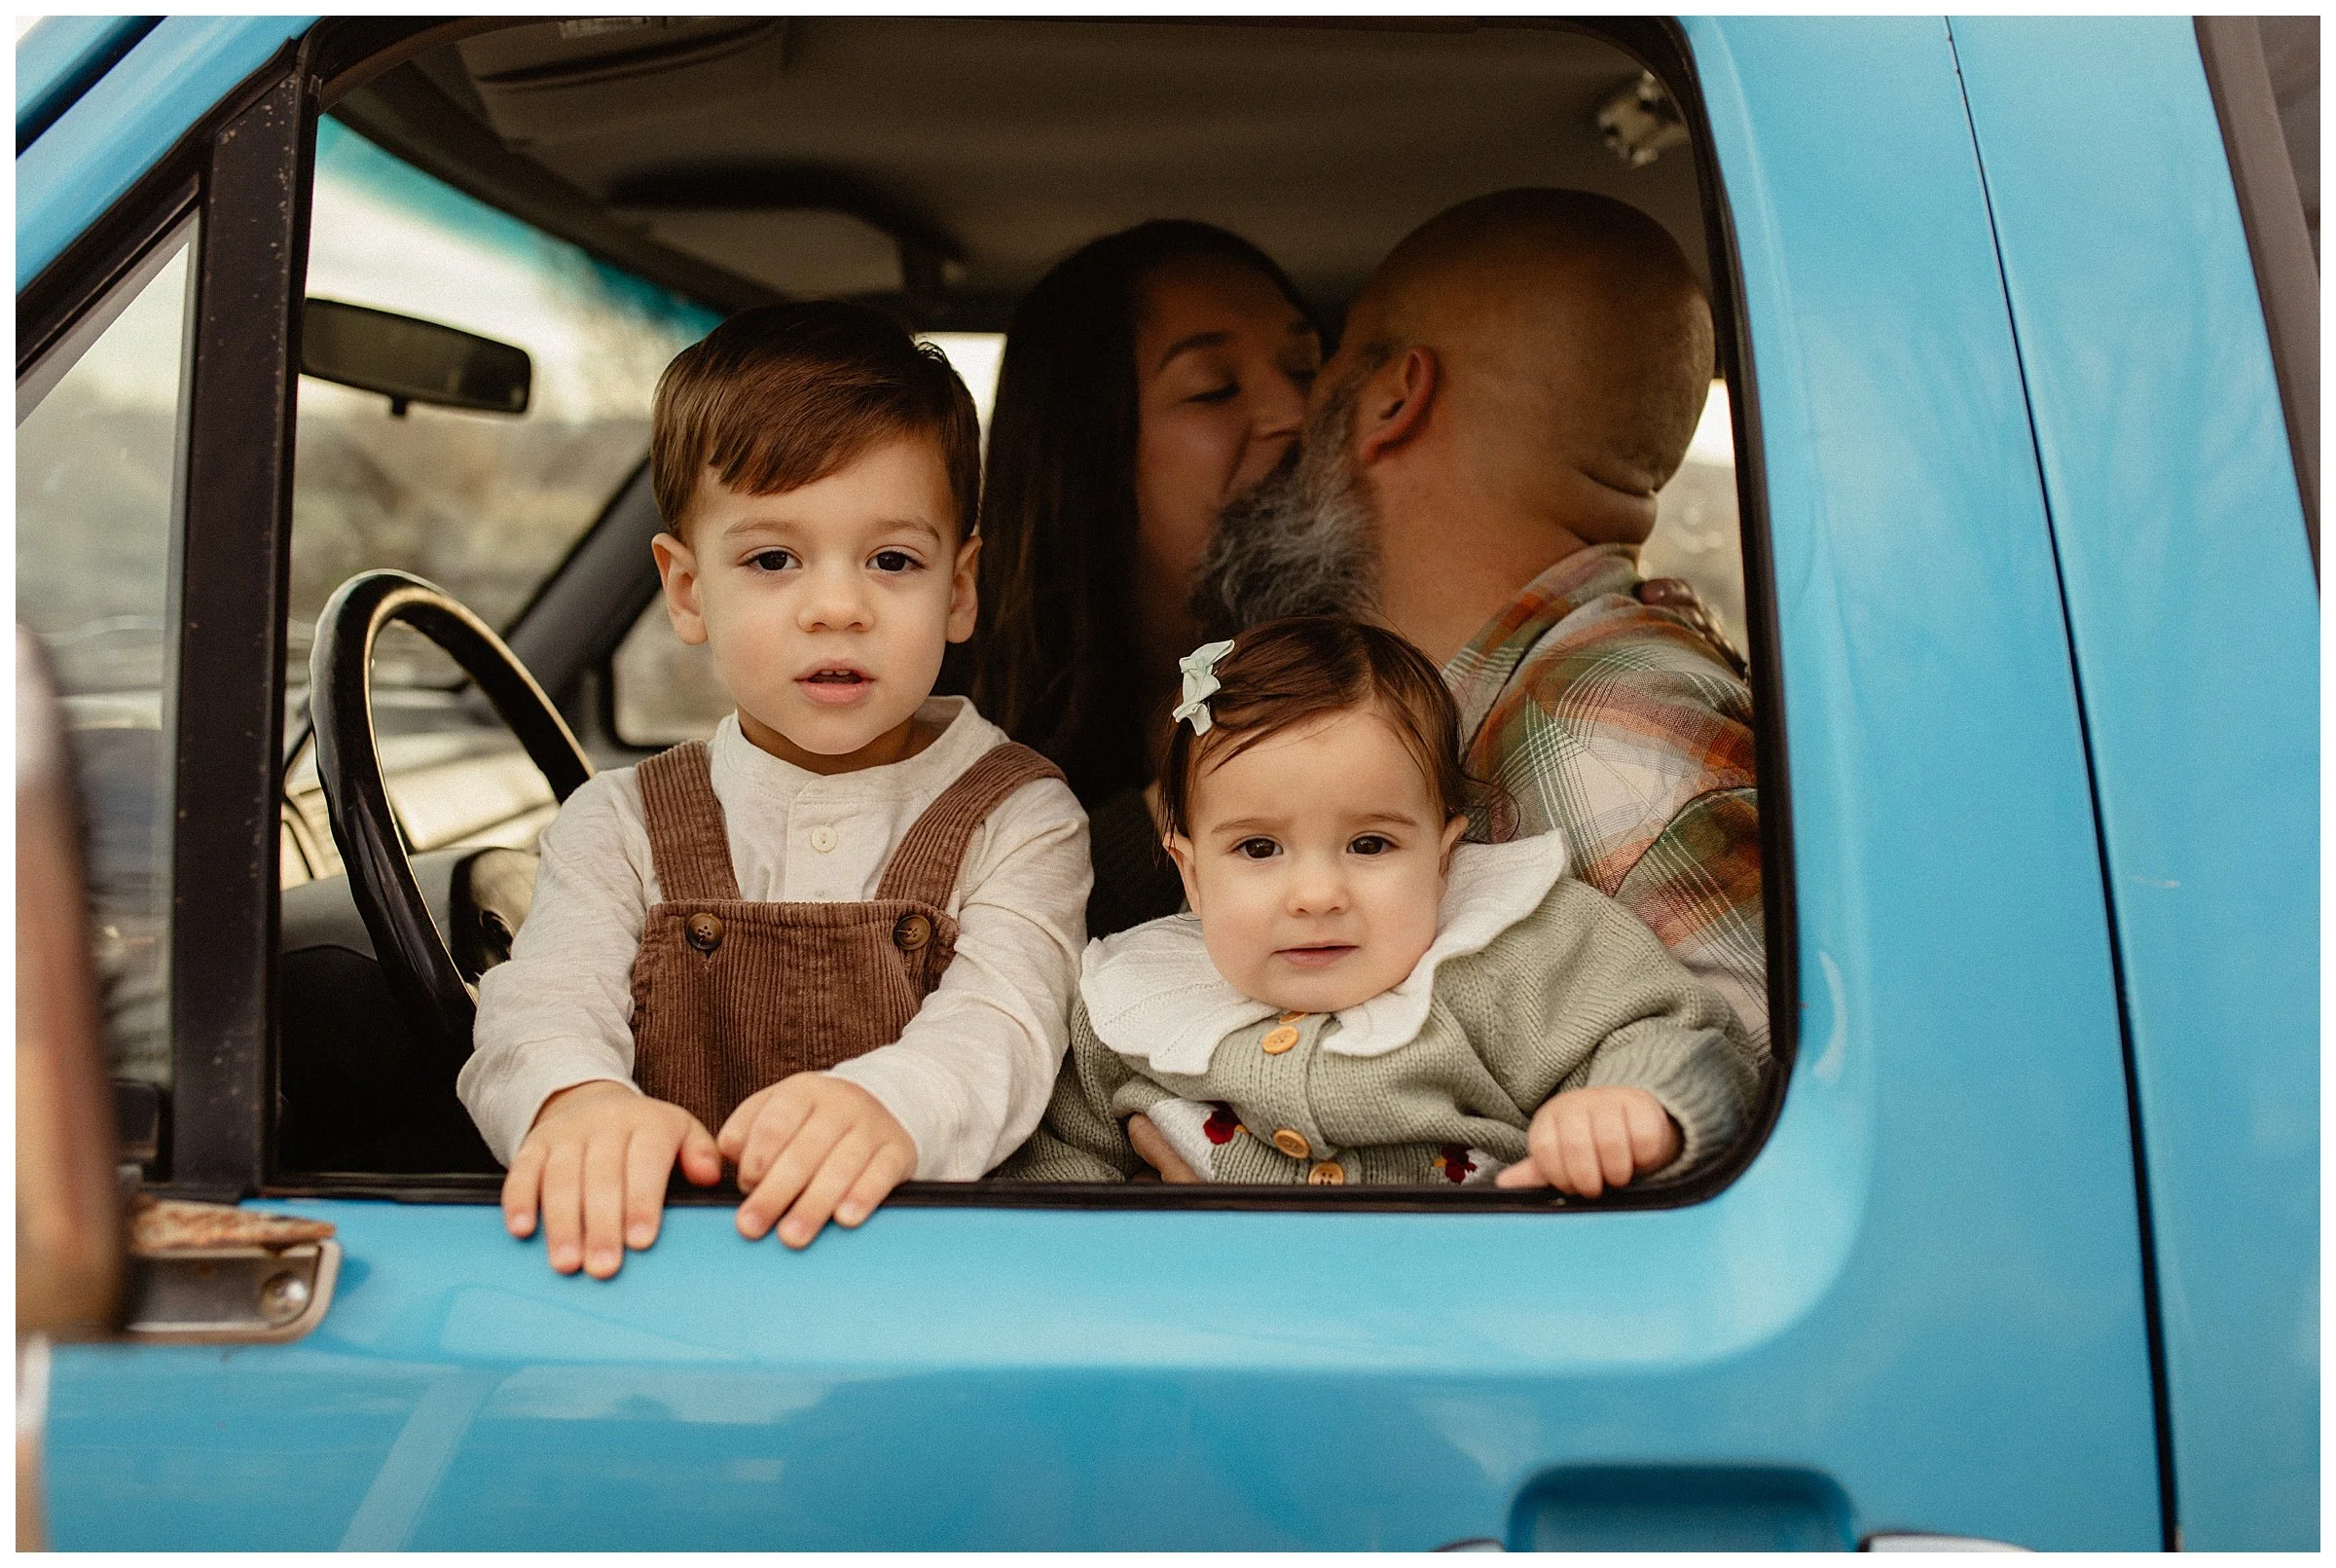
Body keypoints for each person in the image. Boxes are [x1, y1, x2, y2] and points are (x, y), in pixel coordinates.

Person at [460, 302, 1090, 1277]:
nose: (836, 607)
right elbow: (539, 1006)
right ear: (686, 590)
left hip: (935, 1274)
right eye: (771, 560)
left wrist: (892, 1104)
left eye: (893, 561)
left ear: (959, 588)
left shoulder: (1019, 814)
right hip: (666, 1271)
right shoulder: (619, 824)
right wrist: (575, 1101)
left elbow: (1008, 1023)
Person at [1188, 188, 1767, 1051]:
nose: (1296, 423)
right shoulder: (1535, 701)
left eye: (1328, 367)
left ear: (1393, 400)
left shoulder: (1609, 745)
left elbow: (1732, 1139)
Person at [1001, 617, 1759, 1190]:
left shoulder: (1517, 953)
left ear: (1443, 857)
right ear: (1190, 875)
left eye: (1370, 845)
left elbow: (1680, 1035)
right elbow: (1053, 1166)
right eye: (1259, 849)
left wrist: (1632, 1108)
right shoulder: (1126, 1005)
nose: (1318, 895)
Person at [965, 220, 1322, 939]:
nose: (1295, 413)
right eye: (1214, 389)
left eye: (1309, 370)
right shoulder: (945, 722)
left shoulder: (1385, 662)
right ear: (1087, 459)